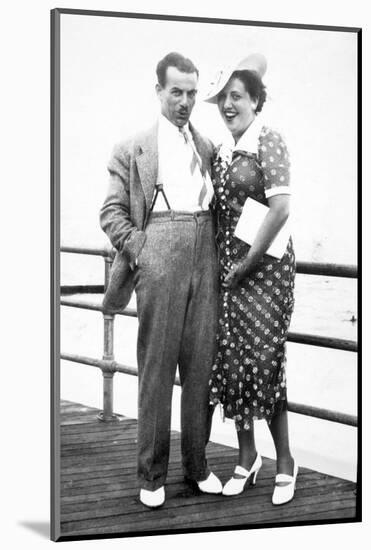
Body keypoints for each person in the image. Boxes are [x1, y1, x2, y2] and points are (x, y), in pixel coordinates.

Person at [100, 52, 222, 508]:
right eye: (177, 92)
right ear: (159, 92)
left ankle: (197, 465)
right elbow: (110, 213)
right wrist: (142, 249)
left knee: (200, 368)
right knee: (156, 369)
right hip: (159, 252)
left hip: (204, 251)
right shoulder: (131, 148)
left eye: (192, 93)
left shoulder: (207, 147)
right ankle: (151, 474)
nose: (185, 101)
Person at [205, 54, 297, 505]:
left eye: (236, 96)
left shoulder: (269, 140)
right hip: (231, 271)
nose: (228, 104)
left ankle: (285, 461)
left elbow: (280, 210)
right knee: (233, 359)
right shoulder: (223, 150)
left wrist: (247, 264)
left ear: (256, 101)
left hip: (266, 271)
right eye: (223, 97)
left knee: (264, 361)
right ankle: (247, 456)